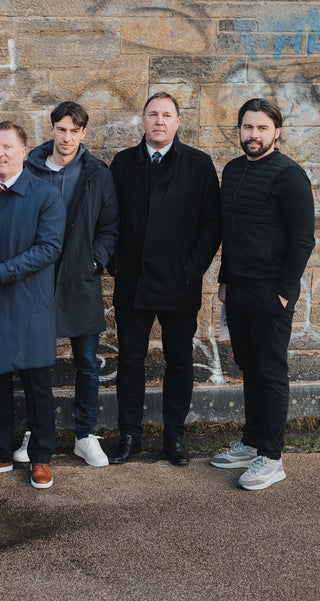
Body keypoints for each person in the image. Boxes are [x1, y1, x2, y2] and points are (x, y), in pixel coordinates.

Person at [108, 92, 221, 466]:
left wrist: (192, 270)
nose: (159, 120)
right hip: (133, 282)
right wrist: (116, 264)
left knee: (179, 361)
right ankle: (129, 436)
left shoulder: (198, 164)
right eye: (153, 114)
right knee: (130, 360)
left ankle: (174, 436)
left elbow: (212, 224)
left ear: (177, 122)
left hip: (180, 283)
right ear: (142, 121)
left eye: (167, 115)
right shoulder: (123, 163)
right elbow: (109, 219)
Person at [210, 98, 315, 490]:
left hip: (272, 293)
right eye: (247, 127)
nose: (253, 135)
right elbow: (231, 232)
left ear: (277, 131)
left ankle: (272, 457)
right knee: (249, 367)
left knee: (270, 372)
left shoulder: (289, 175)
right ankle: (252, 441)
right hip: (237, 289)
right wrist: (223, 278)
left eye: (261, 128)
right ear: (238, 129)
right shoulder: (233, 170)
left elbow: (303, 240)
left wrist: (284, 293)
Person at [13, 101, 119, 467]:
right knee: (35, 362)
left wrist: (95, 259)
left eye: (75, 131)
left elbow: (110, 226)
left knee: (87, 362)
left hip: (80, 278)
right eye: (61, 129)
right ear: (52, 129)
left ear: (84, 133)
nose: (67, 137)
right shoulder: (30, 169)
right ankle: (36, 432)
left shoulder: (97, 173)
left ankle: (85, 435)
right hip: (37, 277)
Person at [0, 121, 65, 489]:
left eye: (7, 147)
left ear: (24, 151)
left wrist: (4, 272)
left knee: (38, 385)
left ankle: (41, 458)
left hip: (29, 304)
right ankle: (0, 453)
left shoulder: (45, 194)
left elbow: (50, 248)